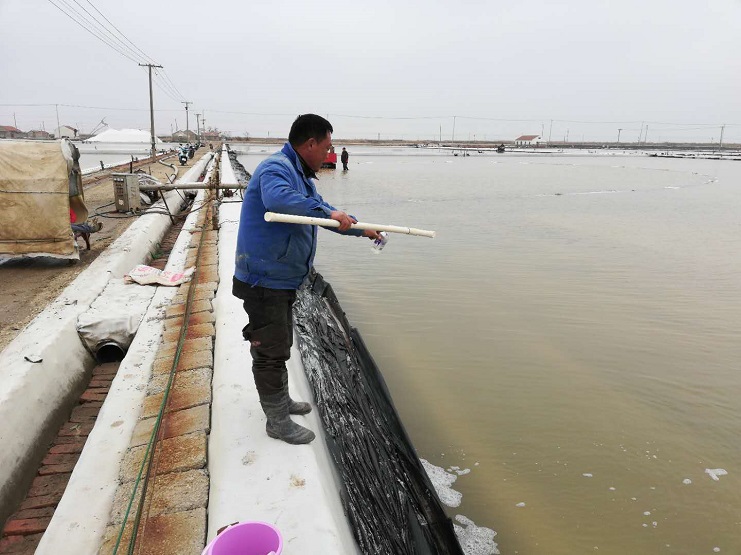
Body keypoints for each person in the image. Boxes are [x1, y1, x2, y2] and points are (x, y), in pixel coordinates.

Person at [232, 114, 380, 445]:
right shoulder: (276, 169)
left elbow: (325, 212)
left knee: (280, 344)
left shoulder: (302, 177)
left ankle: (282, 402)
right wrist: (328, 213)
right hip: (264, 280)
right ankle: (277, 422)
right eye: (327, 147)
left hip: (281, 279)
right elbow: (279, 200)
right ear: (310, 144)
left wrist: (361, 228)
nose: (329, 154)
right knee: (270, 351)